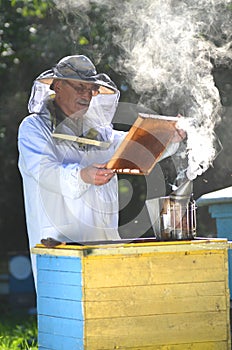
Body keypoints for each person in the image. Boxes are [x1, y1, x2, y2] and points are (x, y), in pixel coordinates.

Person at [18, 55, 185, 288]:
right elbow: (43, 172)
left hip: (103, 239)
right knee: (66, 308)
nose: (86, 95)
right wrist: (82, 175)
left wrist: (168, 137)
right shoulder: (33, 128)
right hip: (58, 242)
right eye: (80, 87)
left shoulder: (100, 133)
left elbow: (135, 148)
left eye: (92, 89)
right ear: (58, 86)